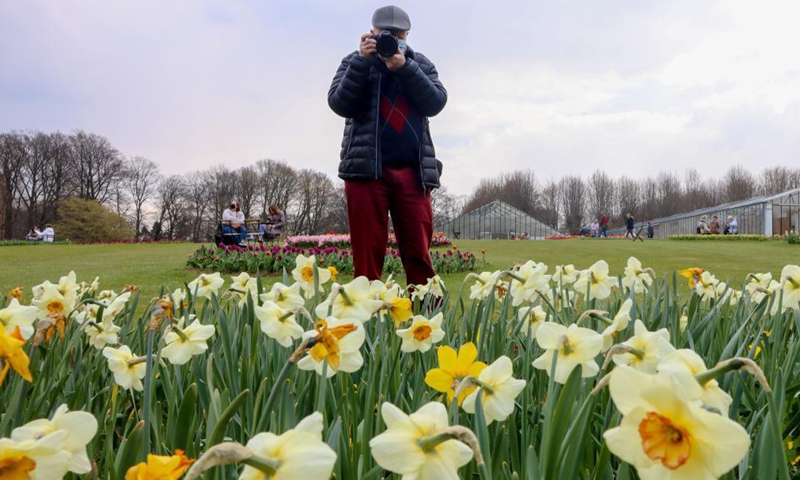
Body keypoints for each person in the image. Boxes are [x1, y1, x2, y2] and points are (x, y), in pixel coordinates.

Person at [328, 5, 447, 286]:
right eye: (385, 34)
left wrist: (405, 69)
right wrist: (361, 62)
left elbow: (436, 103)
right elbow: (339, 103)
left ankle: (426, 322)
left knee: (419, 254)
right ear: (371, 33)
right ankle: (368, 323)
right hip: (366, 172)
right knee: (366, 256)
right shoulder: (353, 62)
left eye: (398, 35)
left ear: (406, 36)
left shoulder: (421, 64)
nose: (391, 40)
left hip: (412, 172)